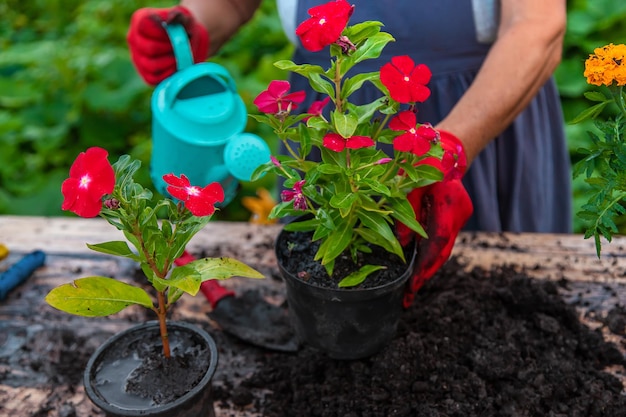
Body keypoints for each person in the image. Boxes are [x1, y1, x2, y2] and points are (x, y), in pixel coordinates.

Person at [127, 0, 571, 235]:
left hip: (477, 129)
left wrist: (447, 149)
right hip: (328, 129)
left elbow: (536, 26)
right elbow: (232, 3)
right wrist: (196, 27)